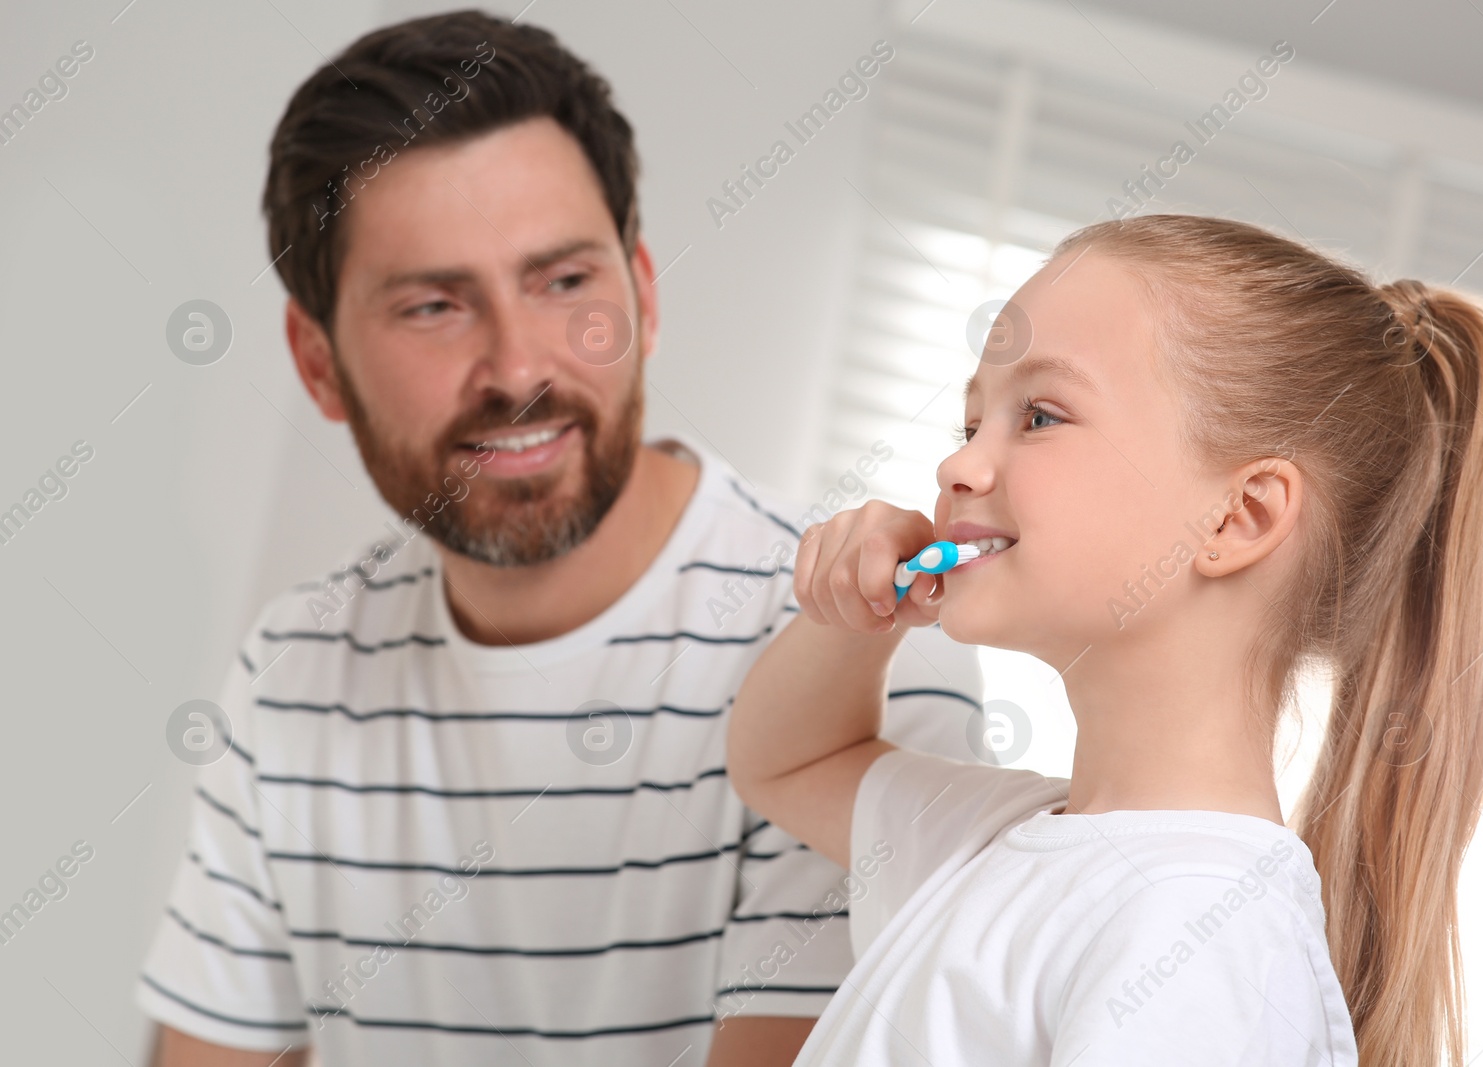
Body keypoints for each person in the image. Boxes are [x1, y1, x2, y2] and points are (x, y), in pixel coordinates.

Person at [133, 11, 985, 1066]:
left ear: (643, 294)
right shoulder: (292, 669)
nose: (518, 366)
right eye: (435, 304)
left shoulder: (863, 639)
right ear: (316, 363)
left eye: (564, 282)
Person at [729, 213, 1483, 1065]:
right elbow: (785, 761)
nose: (957, 468)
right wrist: (853, 618)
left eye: (1038, 415)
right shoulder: (999, 835)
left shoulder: (1199, 931)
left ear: (1240, 514)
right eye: (971, 425)